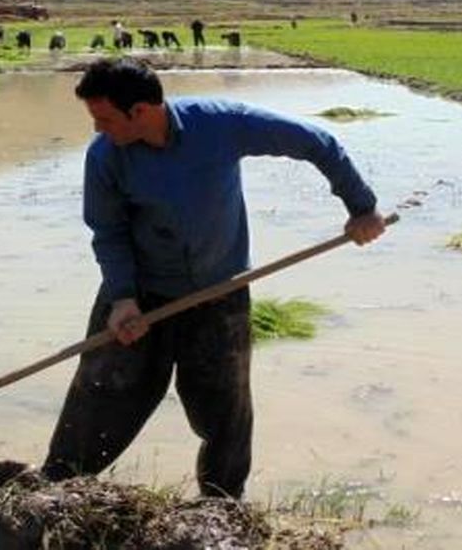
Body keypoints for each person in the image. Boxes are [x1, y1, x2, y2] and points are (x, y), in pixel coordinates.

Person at [41, 58, 386, 498]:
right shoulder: (106, 157)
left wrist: (361, 207)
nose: (97, 129)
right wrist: (123, 298)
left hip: (218, 295)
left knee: (225, 414)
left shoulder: (220, 126)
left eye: (104, 119)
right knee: (99, 400)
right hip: (139, 299)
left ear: (141, 111)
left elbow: (317, 142)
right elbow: (108, 233)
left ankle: (221, 510)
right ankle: (52, 493)